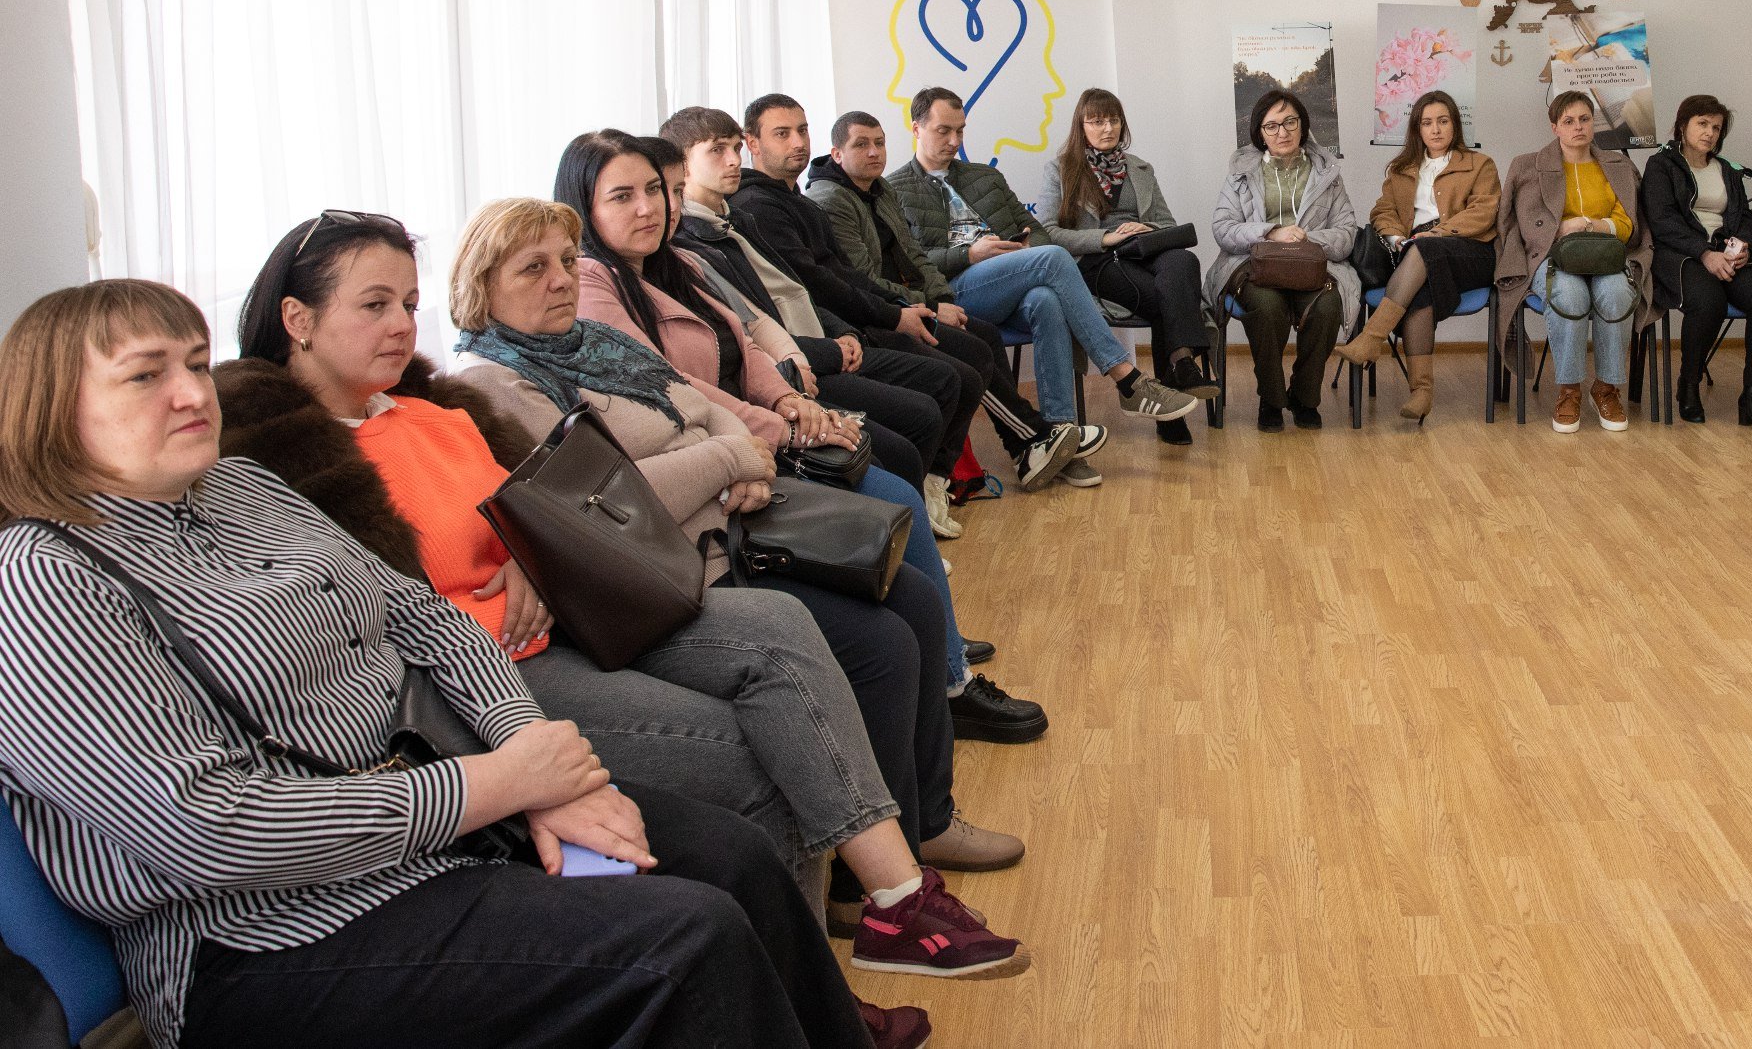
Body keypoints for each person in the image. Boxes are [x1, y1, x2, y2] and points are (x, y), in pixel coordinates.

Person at [0, 279, 925, 1049]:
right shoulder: (42, 576)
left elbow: (426, 620)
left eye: (197, 364)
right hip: (265, 939)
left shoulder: (242, 487)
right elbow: (209, 829)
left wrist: (533, 759)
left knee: (733, 856)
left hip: (444, 826)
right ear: (51, 409)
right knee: (683, 941)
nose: (191, 394)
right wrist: (498, 786)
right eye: (146, 375)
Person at [218, 212, 1026, 981]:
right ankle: (808, 990)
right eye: (375, 305)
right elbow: (360, 624)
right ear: (297, 319)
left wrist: (532, 558)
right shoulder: (274, 463)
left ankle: (892, 902)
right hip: (483, 675)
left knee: (783, 626)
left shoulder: (432, 410)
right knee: (756, 743)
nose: (401, 325)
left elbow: (546, 511)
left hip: (575, 608)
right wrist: (550, 549)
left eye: (407, 303)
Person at [447, 197, 1025, 875]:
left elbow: (702, 406)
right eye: (533, 268)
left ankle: (928, 819)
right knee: (881, 645)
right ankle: (863, 872)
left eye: (568, 262)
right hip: (669, 575)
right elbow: (604, 501)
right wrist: (729, 460)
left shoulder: (597, 342)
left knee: (916, 598)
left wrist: (740, 454)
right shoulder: (494, 384)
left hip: (733, 527)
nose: (561, 279)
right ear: (481, 286)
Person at [556, 132, 1044, 748]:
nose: (650, 208)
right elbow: (676, 387)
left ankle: (944, 668)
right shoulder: (593, 283)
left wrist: (791, 399)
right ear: (583, 207)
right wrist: (785, 425)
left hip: (759, 428)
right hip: (719, 465)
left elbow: (746, 339)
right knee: (895, 492)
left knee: (900, 486)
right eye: (623, 196)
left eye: (655, 190)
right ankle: (947, 680)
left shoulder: (675, 263)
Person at [688, 103, 981, 528]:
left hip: (824, 343)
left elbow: (808, 288)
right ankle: (905, 528)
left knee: (959, 369)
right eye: (782, 133)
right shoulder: (736, 220)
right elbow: (766, 322)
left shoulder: (741, 219)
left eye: (802, 130)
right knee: (924, 409)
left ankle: (932, 496)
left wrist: (852, 330)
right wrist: (850, 338)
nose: (733, 160)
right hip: (796, 372)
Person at [888, 87, 1199, 462]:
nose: (955, 141)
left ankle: (1061, 439)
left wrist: (1025, 249)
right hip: (954, 290)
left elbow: (1035, 229)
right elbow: (910, 263)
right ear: (916, 128)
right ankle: (1128, 379)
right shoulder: (893, 190)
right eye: (944, 131)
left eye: (961, 130)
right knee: (1052, 257)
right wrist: (969, 253)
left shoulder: (985, 176)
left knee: (1046, 299)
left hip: (1009, 279)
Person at [806, 109, 1084, 490]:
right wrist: (931, 306)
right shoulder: (830, 199)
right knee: (973, 355)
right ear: (837, 154)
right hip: (876, 316)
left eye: (880, 143)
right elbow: (863, 281)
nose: (874, 152)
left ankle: (1031, 445)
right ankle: (1030, 438)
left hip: (906, 302)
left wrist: (940, 299)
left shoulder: (880, 190)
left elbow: (914, 255)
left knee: (996, 328)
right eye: (861, 145)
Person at [1036, 88, 1222, 445]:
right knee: (1166, 296)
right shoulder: (1060, 169)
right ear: (1081, 125)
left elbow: (1167, 224)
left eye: (1114, 120)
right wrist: (1105, 238)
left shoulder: (1140, 168)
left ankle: (1181, 370)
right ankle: (1178, 381)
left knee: (1184, 259)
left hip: (1145, 249)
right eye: (1097, 121)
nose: (1108, 128)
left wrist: (1146, 227)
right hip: (1099, 260)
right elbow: (1047, 234)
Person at [1336, 89, 1500, 421]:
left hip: (1471, 254)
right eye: (1427, 123)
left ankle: (1371, 338)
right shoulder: (1401, 169)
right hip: (1417, 255)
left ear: (1455, 124)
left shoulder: (1479, 164)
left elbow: (1484, 212)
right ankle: (1421, 391)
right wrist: (1396, 237)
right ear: (1417, 129)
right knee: (1419, 289)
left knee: (1424, 249)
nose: (1435, 129)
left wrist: (1437, 234)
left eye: (1443, 121)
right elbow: (1382, 211)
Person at [1495, 91, 1652, 435]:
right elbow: (1519, 223)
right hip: (1550, 256)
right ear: (1554, 127)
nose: (1578, 127)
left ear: (1593, 123)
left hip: (1609, 255)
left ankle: (1606, 388)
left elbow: (1629, 221)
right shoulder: (1527, 166)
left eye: (1584, 119)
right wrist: (1560, 229)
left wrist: (1593, 225)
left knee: (1616, 293)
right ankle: (1569, 390)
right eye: (1568, 121)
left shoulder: (1619, 165)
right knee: (1570, 295)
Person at [1208, 88, 1362, 431]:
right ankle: (1272, 398)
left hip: (1314, 266)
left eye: (1290, 122)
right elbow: (1223, 228)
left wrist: (1307, 239)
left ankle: (1305, 397)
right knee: (1266, 306)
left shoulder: (1327, 174)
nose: (1283, 132)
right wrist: (1271, 232)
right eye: (1272, 126)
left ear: (1302, 125)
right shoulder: (1241, 173)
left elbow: (1347, 232)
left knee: (1327, 307)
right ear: (1260, 133)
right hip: (1256, 267)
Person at [1639, 94, 1752, 433]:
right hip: (1679, 255)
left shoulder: (1728, 171)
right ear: (1683, 125)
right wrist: (1704, 253)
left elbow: (1744, 216)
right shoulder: (1661, 165)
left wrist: (1744, 246)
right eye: (1702, 124)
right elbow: (1661, 221)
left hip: (1726, 254)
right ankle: (1689, 383)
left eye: (1716, 128)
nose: (1710, 133)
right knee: (1708, 300)